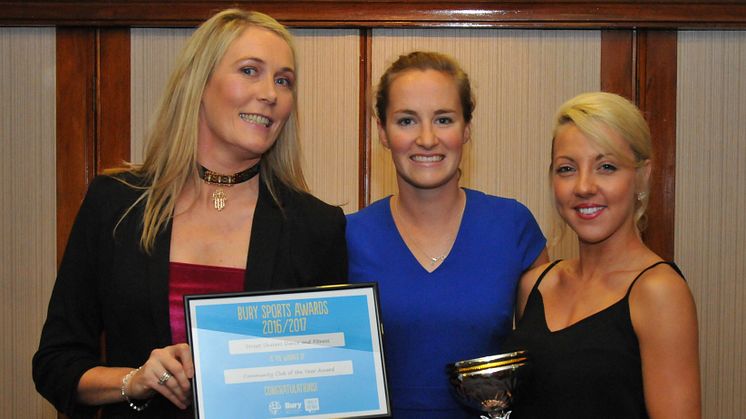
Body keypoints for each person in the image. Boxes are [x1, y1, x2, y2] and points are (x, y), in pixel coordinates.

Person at [32, 9, 347, 418]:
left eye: (283, 80)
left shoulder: (316, 226)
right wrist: (135, 380)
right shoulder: (115, 205)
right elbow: (55, 364)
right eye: (250, 71)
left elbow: (330, 387)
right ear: (199, 83)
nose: (270, 93)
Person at [346, 51, 548, 418]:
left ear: (466, 128)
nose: (426, 138)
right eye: (407, 120)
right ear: (382, 131)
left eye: (443, 119)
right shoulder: (347, 236)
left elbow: (548, 362)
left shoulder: (513, 227)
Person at [504, 92, 701, 418]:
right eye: (566, 169)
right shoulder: (535, 285)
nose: (584, 186)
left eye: (606, 167)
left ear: (643, 175)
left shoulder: (658, 292)